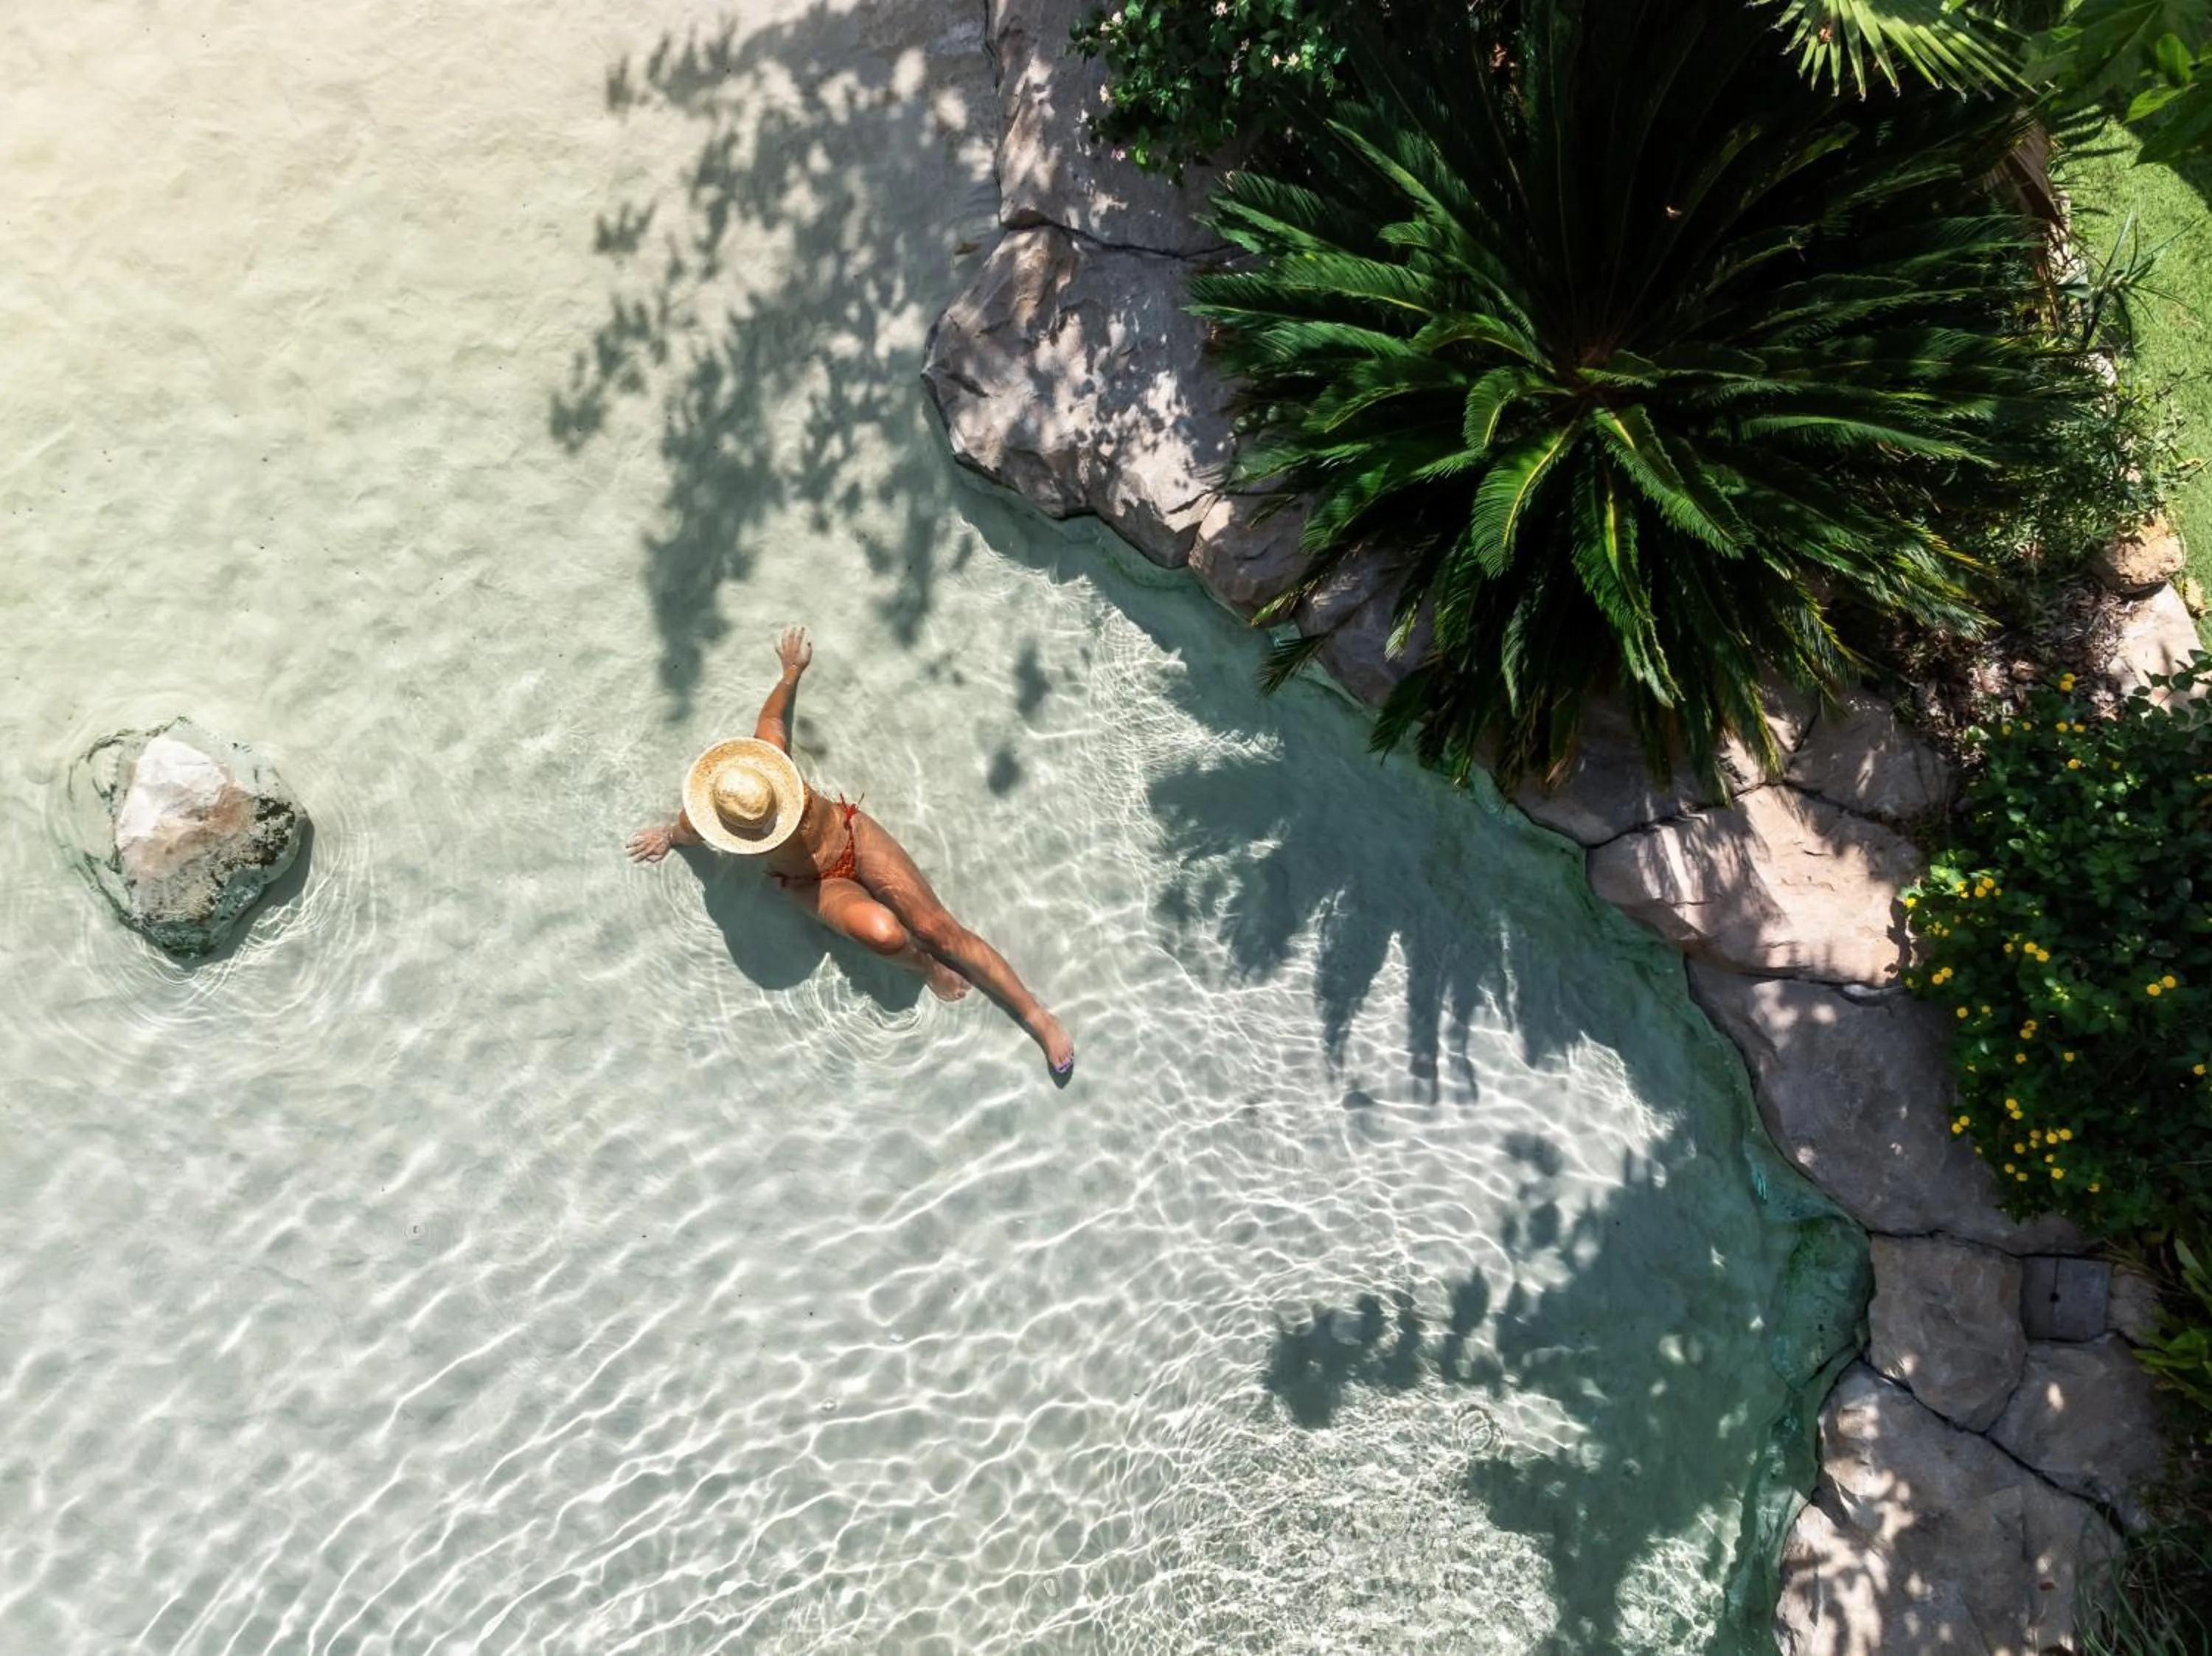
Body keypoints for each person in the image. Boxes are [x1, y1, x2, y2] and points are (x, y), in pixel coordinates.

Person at [627, 627, 1076, 1081]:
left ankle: (1038, 1017)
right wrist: (666, 836)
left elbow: (775, 719)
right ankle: (924, 967)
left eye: (772, 814)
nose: (770, 822)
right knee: (885, 934)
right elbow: (686, 830)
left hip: (851, 834)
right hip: (813, 883)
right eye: (759, 830)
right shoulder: (713, 824)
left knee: (937, 926)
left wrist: (791, 671)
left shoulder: (766, 762)